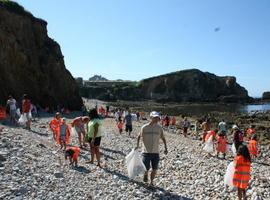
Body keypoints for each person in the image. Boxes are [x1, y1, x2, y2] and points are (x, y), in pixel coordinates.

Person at [136, 111, 168, 186]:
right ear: (151, 118)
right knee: (146, 168)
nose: (157, 119)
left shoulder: (159, 128)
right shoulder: (144, 127)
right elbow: (139, 136)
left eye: (157, 117)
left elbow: (163, 138)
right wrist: (137, 146)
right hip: (146, 152)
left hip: (155, 152)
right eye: (155, 117)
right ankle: (145, 174)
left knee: (155, 169)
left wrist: (165, 148)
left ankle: (151, 182)